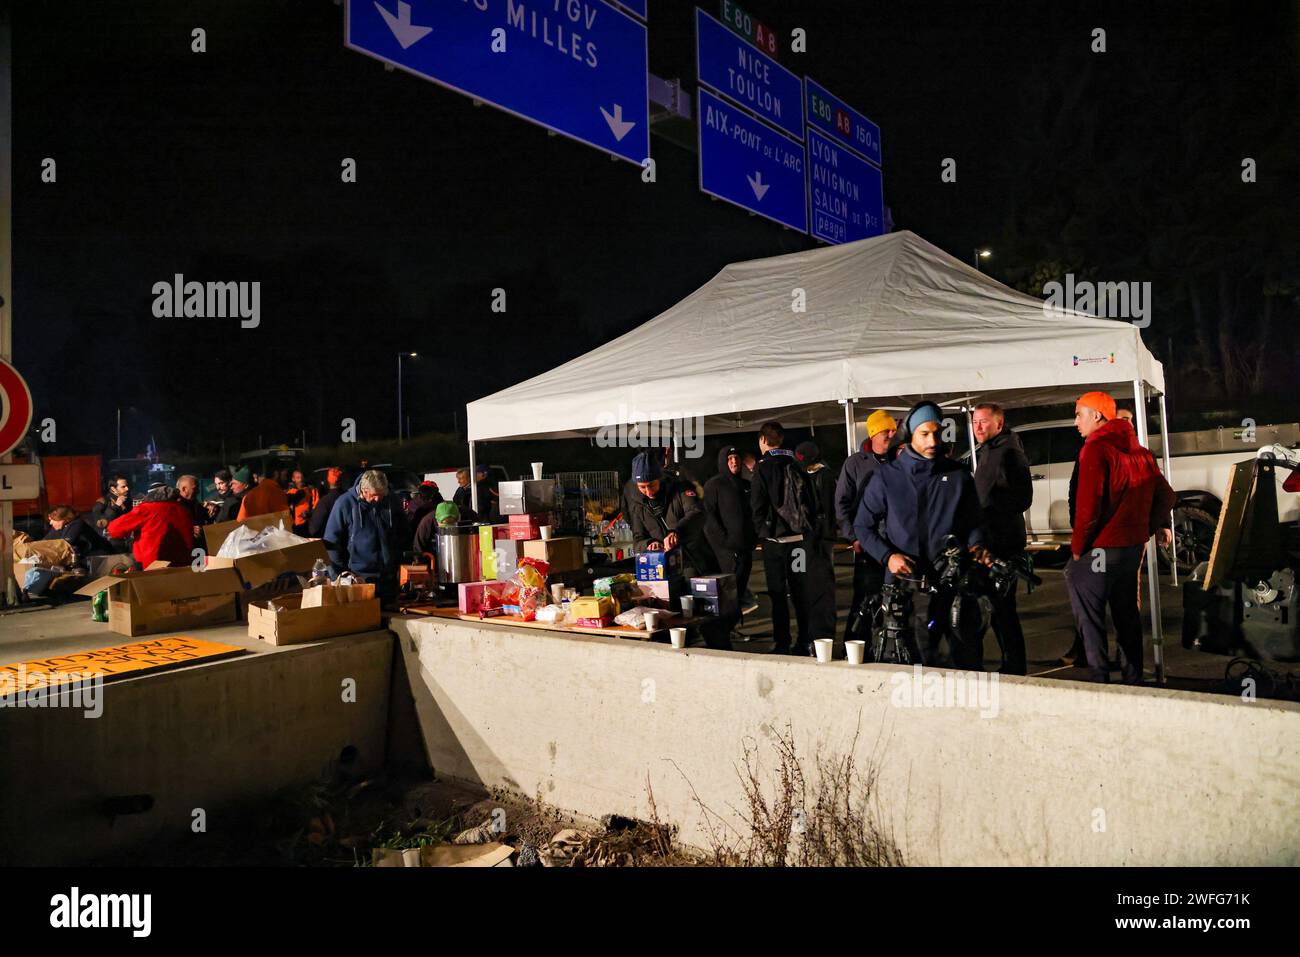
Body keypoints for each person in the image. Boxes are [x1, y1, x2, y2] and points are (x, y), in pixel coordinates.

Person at [855, 402, 988, 668]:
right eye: (925, 433)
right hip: (906, 587)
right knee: (916, 668)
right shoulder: (886, 478)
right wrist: (888, 556)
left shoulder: (959, 476)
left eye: (937, 433)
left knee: (966, 661)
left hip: (953, 584)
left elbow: (974, 522)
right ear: (910, 435)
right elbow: (862, 526)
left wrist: (977, 545)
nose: (933, 440)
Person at [1065, 391, 1176, 684]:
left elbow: (1088, 508)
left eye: (1079, 414)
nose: (1075, 421)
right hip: (1131, 548)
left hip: (1102, 548)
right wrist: (1145, 528)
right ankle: (1133, 678)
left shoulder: (1095, 448)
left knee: (1090, 617)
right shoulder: (1140, 452)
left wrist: (1078, 549)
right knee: (1127, 614)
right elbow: (1167, 495)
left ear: (1097, 416)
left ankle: (1100, 679)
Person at [971, 403, 1034, 675]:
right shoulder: (988, 451)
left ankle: (1015, 666)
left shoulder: (1009, 453)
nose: (978, 427)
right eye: (975, 422)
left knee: (1004, 610)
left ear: (998, 423)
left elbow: (1023, 497)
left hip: (1002, 545)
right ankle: (1010, 663)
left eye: (983, 422)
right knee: (996, 609)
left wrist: (994, 508)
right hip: (988, 543)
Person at [750, 421, 819, 655]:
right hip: (798, 542)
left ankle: (782, 643)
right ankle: (805, 641)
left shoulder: (762, 468)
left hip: (775, 546)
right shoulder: (796, 464)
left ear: (762, 440)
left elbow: (757, 505)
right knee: (801, 591)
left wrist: (763, 532)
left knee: (778, 594)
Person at [835, 410, 897, 643]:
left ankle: (889, 647)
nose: (892, 433)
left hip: (895, 543)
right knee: (865, 598)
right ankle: (856, 646)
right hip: (868, 543)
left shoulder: (898, 460)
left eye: (893, 429)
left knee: (893, 599)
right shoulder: (855, 464)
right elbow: (841, 504)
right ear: (873, 433)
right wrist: (853, 537)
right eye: (886, 430)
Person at [323, 469, 409, 604]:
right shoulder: (344, 503)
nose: (379, 499)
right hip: (359, 578)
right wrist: (338, 575)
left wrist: (402, 561)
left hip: (389, 577)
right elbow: (331, 542)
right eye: (375, 495)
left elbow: (404, 532)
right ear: (364, 490)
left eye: (382, 494)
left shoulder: (390, 500)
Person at [625, 450, 714, 578]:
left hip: (693, 562)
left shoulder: (680, 490)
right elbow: (638, 540)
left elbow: (697, 512)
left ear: (659, 479)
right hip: (661, 568)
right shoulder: (637, 504)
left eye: (651, 485)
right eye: (642, 487)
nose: (648, 491)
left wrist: (677, 532)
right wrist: (649, 544)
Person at [703, 445, 759, 616]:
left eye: (736, 457)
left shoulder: (747, 485)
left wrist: (753, 539)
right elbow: (709, 518)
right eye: (729, 459)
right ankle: (726, 629)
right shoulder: (714, 485)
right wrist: (725, 543)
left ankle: (734, 625)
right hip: (726, 553)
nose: (734, 461)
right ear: (723, 462)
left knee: (740, 592)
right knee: (727, 595)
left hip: (745, 550)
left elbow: (754, 514)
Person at [795, 440, 839, 647]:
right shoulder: (819, 475)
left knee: (820, 587)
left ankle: (821, 636)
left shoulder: (823, 477)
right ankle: (816, 635)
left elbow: (831, 510)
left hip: (816, 539)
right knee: (815, 587)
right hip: (815, 539)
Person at [106, 484, 194, 568]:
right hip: (183, 565)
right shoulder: (183, 510)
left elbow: (114, 529)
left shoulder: (147, 509)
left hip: (153, 566)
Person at [44, 505, 111, 563]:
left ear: (63, 519)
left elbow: (65, 544)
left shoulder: (77, 523)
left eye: (53, 520)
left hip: (101, 557)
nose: (50, 523)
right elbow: (44, 541)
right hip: (87, 558)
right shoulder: (58, 527)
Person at [92, 474, 133, 549]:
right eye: (123, 487)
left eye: (127, 486)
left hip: (128, 539)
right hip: (111, 542)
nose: (127, 488)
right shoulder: (102, 502)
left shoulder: (127, 501)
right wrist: (115, 506)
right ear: (113, 489)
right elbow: (100, 523)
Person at [309, 467, 347, 538]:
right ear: (341, 481)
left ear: (328, 481)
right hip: (346, 541)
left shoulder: (325, 501)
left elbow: (314, 529)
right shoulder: (348, 498)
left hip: (330, 542)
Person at [285, 469, 319, 537]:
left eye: (301, 477)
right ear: (293, 479)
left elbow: (316, 505)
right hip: (295, 526)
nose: (300, 480)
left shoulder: (311, 490)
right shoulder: (290, 493)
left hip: (309, 524)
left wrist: (310, 513)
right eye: (297, 478)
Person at [176, 474, 207, 543]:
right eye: (195, 489)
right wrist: (189, 530)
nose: (198, 491)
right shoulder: (173, 507)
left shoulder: (195, 503)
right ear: (184, 489)